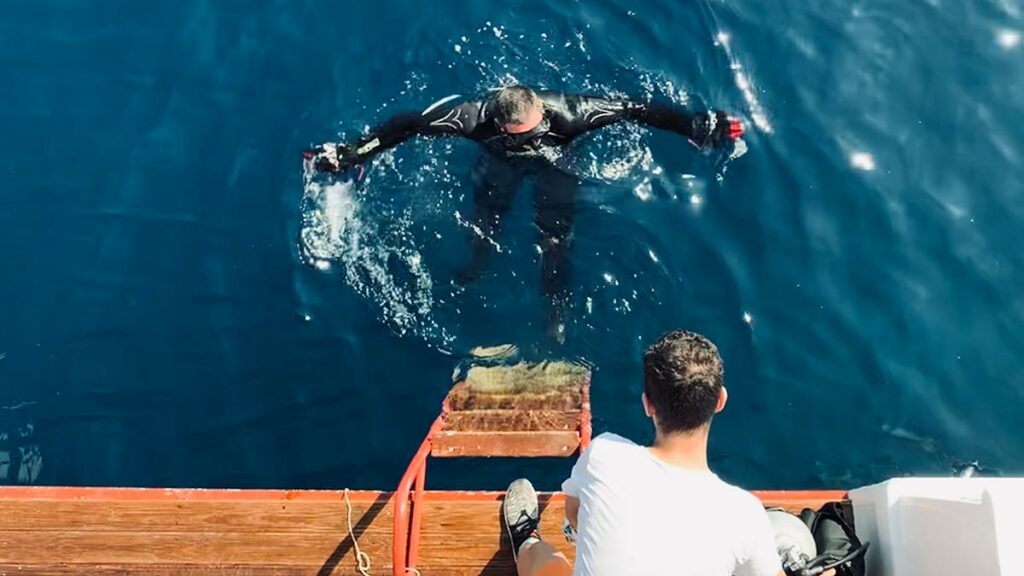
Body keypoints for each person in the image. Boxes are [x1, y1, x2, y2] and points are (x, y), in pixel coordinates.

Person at [305, 87, 744, 343]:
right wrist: (351, 153)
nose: (535, 134)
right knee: (484, 220)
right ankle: (475, 268)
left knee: (554, 237)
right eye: (525, 133)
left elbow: (636, 109)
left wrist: (695, 126)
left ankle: (555, 308)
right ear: (499, 125)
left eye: (537, 128)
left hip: (557, 165)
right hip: (500, 164)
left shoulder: (570, 115)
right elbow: (407, 124)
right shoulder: (471, 118)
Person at [501, 330, 831, 576]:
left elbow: (574, 510)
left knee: (545, 561)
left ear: (647, 404)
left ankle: (526, 539)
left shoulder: (605, 454)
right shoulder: (745, 515)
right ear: (721, 401)